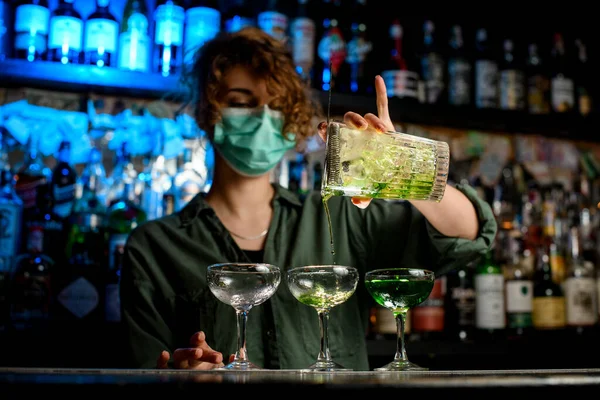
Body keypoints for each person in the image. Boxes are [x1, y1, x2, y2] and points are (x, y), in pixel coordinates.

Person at [119, 27, 497, 371]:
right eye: (241, 101)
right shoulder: (154, 248)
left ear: (292, 120)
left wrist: (401, 168)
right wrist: (178, 372)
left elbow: (470, 237)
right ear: (207, 111)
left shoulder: (345, 218)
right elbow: (143, 370)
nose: (263, 119)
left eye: (277, 107)